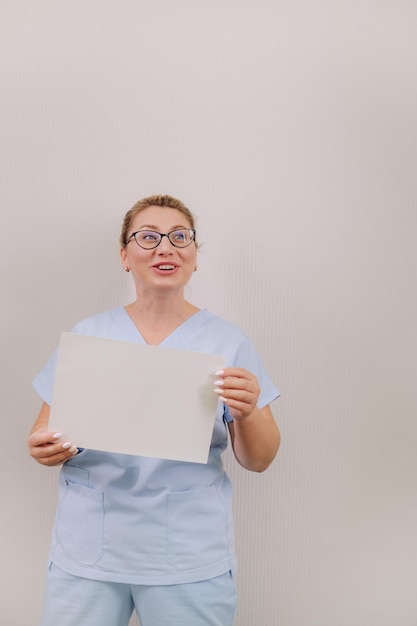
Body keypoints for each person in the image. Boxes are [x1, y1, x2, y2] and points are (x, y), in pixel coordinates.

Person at [28, 194, 281, 626]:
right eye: (148, 237)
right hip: (89, 549)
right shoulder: (91, 337)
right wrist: (45, 448)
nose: (165, 247)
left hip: (187, 555)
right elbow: (44, 432)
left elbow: (258, 460)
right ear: (125, 256)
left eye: (180, 237)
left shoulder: (227, 342)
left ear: (195, 257)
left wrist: (249, 411)